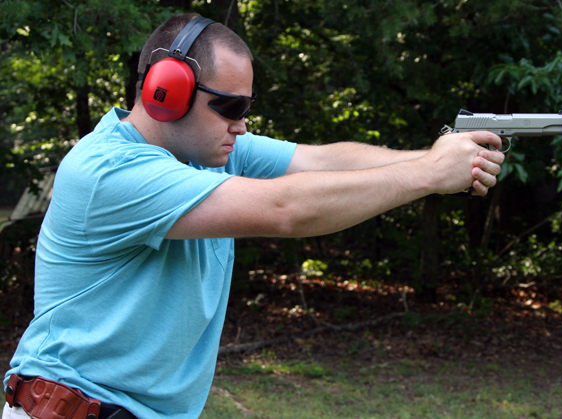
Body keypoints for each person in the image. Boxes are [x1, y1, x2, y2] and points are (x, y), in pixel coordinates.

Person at [3, 12, 504, 419]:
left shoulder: (210, 148)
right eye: (230, 106)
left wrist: (435, 157)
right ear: (165, 91)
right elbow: (285, 209)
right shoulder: (108, 171)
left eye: (248, 107)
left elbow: (320, 160)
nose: (242, 125)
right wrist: (429, 176)